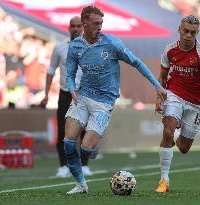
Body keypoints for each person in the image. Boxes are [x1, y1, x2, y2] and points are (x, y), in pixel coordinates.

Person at [64, 5, 166, 194]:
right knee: (68, 142)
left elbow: (137, 62)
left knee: (86, 149)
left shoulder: (111, 43)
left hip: (103, 103)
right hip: (83, 97)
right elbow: (69, 74)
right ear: (84, 23)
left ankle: (92, 148)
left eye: (101, 23)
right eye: (95, 23)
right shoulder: (75, 46)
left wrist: (157, 85)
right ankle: (81, 184)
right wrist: (72, 89)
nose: (99, 27)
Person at [155, 15, 200, 193]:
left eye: (192, 32)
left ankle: (174, 133)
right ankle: (164, 181)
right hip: (174, 95)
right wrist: (159, 98)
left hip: (196, 103)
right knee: (167, 131)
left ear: (197, 33)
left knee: (183, 148)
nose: (188, 35)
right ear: (179, 30)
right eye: (186, 31)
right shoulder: (170, 50)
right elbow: (163, 77)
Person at [40, 16, 92, 178]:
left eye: (78, 26)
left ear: (83, 28)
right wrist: (46, 94)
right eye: (73, 26)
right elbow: (50, 70)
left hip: (84, 93)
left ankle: (83, 165)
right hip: (65, 94)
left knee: (85, 129)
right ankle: (64, 165)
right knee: (63, 131)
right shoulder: (60, 47)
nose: (75, 29)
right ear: (68, 28)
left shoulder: (90, 47)